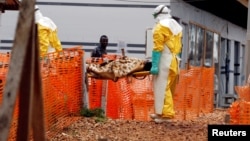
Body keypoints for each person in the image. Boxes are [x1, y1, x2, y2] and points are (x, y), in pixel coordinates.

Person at [150, 5, 183, 123]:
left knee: (163, 87)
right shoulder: (177, 26)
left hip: (164, 60)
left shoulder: (160, 27)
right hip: (174, 60)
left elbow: (157, 47)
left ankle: (166, 115)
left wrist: (154, 64)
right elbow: (179, 47)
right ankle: (161, 112)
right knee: (169, 87)